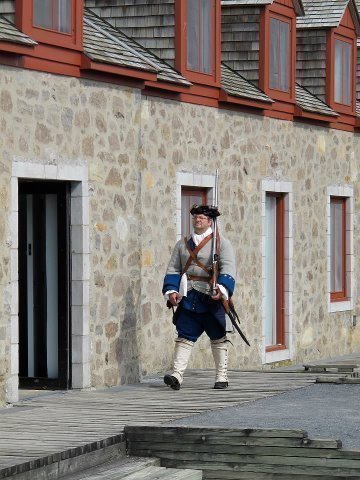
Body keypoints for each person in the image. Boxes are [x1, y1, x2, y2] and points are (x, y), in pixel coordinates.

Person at [162, 204, 236, 390]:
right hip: (189, 296)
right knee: (184, 335)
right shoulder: (182, 243)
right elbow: (173, 269)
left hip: (211, 297)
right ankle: (177, 375)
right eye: (195, 217)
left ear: (210, 221)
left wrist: (222, 288)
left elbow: (228, 268)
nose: (198, 220)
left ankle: (221, 376)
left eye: (202, 217)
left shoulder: (221, 243)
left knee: (218, 336)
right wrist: (171, 290)